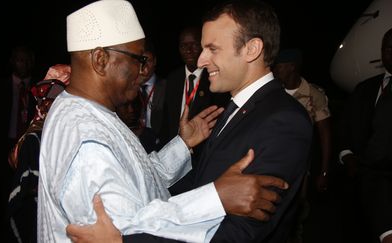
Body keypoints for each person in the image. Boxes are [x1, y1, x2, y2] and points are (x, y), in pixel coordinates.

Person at [38, 1, 288, 243]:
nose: (143, 71)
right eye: (138, 59)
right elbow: (128, 232)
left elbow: (137, 180)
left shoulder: (91, 112)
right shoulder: (86, 140)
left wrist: (182, 144)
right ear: (101, 60)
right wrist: (216, 198)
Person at [338, 27, 392, 243]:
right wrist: (347, 154)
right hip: (366, 179)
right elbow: (345, 127)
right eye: (389, 48)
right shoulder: (365, 89)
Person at [273, 49, 331, 243]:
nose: (276, 69)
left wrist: (323, 170)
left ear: (292, 67)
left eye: (280, 65)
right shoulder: (273, 91)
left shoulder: (313, 94)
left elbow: (325, 134)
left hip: (299, 167)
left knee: (297, 211)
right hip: (272, 160)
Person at [7, 64, 70, 243]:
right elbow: (26, 186)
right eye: (43, 99)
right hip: (43, 218)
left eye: (52, 98)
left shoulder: (75, 129)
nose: (45, 104)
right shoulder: (34, 137)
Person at [161, 26, 229, 167]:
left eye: (194, 44)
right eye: (183, 45)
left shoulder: (215, 78)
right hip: (173, 159)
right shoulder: (173, 78)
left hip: (203, 159)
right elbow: (166, 122)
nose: (188, 49)